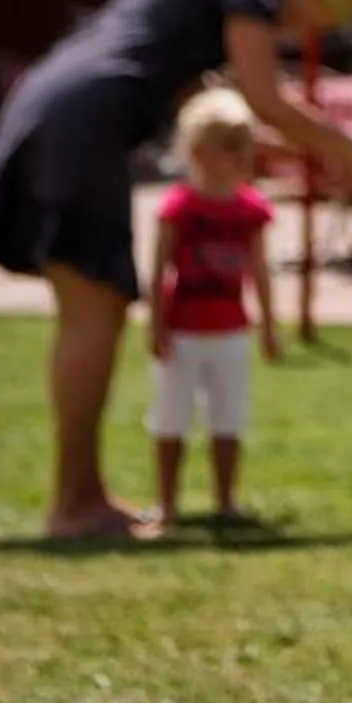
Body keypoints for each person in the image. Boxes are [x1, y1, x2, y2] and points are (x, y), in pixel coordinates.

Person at [0, 0, 352, 539]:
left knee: (98, 308)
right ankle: (72, 506)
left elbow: (229, 108)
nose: (298, 36)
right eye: (311, 22)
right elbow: (263, 98)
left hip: (64, 109)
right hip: (82, 119)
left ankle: (84, 495)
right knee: (94, 310)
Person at [145, 89, 281, 529]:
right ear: (199, 151)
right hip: (183, 331)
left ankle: (226, 501)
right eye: (230, 146)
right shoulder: (179, 208)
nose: (242, 156)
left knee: (229, 416)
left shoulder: (251, 210)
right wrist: (156, 325)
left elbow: (260, 272)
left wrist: (269, 326)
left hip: (230, 331)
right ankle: (167, 504)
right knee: (171, 416)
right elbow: (158, 270)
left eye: (246, 145)